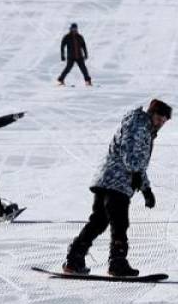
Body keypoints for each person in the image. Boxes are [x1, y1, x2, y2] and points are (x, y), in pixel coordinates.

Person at [63, 99, 171, 277]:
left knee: (98, 221)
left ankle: (74, 259)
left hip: (108, 180)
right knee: (119, 223)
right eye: (159, 118)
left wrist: (146, 189)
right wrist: (136, 175)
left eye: (164, 121)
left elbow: (138, 162)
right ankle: (117, 263)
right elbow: (129, 153)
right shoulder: (139, 125)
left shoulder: (143, 127)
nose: (161, 123)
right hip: (117, 182)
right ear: (151, 114)